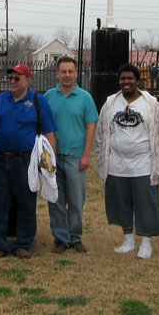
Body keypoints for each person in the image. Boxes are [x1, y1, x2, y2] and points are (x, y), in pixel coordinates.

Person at [95, 64, 159, 259]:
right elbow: (102, 133)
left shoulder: (151, 104)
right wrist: (102, 158)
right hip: (117, 164)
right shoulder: (111, 103)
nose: (126, 82)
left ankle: (146, 243)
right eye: (122, 79)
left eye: (130, 78)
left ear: (138, 81)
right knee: (121, 202)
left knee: (146, 203)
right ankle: (128, 240)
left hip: (143, 164)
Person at [0, 64, 57, 260]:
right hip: (1, 159)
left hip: (26, 161)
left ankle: (23, 244)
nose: (13, 82)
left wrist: (50, 164)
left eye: (18, 78)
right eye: (11, 78)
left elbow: (49, 133)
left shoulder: (38, 101)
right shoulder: (1, 100)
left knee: (26, 202)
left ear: (28, 80)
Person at [44, 56, 98, 254]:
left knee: (76, 200)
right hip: (53, 158)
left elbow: (91, 126)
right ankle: (60, 239)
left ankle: (76, 238)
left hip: (76, 157)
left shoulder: (85, 98)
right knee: (55, 200)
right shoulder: (49, 96)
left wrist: (86, 155)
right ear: (57, 74)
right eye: (63, 72)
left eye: (70, 72)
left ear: (76, 74)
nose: (67, 75)